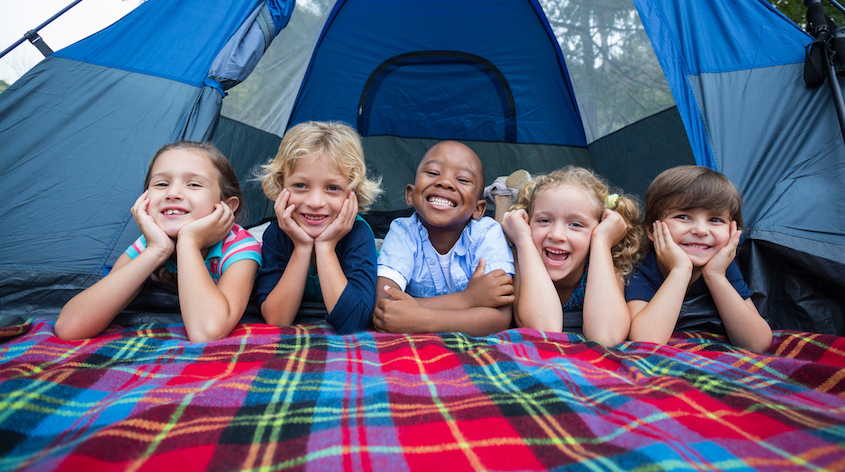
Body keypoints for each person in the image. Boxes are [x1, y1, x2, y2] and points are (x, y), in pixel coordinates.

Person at [55, 142, 262, 343]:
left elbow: (206, 332)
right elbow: (69, 327)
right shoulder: (151, 242)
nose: (172, 194)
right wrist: (157, 250)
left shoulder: (239, 248)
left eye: (194, 184)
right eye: (161, 184)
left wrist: (189, 241)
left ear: (226, 206)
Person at [372, 140, 515, 336]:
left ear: (478, 209)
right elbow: (384, 307)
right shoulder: (403, 231)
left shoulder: (488, 234)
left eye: (463, 179)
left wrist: (421, 319)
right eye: (432, 173)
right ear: (410, 195)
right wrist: (468, 300)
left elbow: (500, 318)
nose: (445, 182)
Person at [626, 165, 772, 351]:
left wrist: (715, 276)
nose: (701, 231)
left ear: (733, 230)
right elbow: (646, 341)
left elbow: (757, 343)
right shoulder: (642, 268)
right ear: (651, 229)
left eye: (715, 220)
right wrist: (680, 271)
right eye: (683, 217)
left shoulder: (722, 267)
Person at [254, 121, 382, 334]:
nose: (315, 202)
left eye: (332, 188)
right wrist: (302, 247)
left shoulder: (358, 235)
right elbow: (277, 319)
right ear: (280, 185)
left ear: (354, 194)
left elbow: (354, 322)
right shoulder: (277, 234)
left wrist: (325, 246)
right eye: (300, 186)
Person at [501, 167, 642, 346]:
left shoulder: (605, 262)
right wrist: (522, 240)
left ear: (599, 227)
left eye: (575, 224)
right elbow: (544, 330)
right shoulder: (519, 257)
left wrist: (601, 242)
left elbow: (606, 336)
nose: (557, 235)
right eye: (544, 220)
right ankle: (503, 199)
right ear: (527, 222)